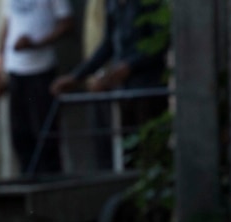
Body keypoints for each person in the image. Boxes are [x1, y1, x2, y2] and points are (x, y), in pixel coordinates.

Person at [50, 0, 169, 165]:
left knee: (152, 151)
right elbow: (107, 45)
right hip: (125, 92)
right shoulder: (111, 4)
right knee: (130, 152)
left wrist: (129, 66)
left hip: (148, 88)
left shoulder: (149, 3)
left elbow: (160, 41)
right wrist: (77, 76)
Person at [0, 0, 74, 176]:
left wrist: (37, 43)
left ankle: (51, 183)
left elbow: (67, 24)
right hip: (15, 71)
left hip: (41, 71)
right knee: (20, 136)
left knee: (45, 137)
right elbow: (8, 23)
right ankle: (27, 179)